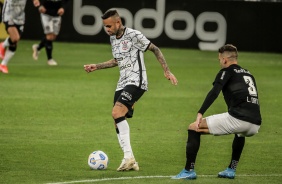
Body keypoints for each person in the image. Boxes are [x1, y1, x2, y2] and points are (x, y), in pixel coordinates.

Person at [84, 9, 178, 171]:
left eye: (109, 26)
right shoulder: (113, 39)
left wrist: (167, 70)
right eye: (105, 27)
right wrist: (97, 66)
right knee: (117, 120)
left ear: (118, 22)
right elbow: (117, 60)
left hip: (137, 80)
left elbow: (155, 49)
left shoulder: (134, 35)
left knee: (116, 113)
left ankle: (128, 157)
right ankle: (131, 161)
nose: (107, 29)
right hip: (122, 82)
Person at [172, 44, 262, 180]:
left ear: (225, 60)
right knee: (240, 134)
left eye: (219, 59)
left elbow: (214, 92)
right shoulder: (248, 74)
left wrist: (200, 112)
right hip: (255, 124)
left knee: (193, 128)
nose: (219, 62)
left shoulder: (226, 71)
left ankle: (188, 170)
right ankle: (231, 169)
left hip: (238, 119)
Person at [0, 0, 40, 74]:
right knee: (15, 38)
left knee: (14, 41)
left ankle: (3, 64)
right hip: (9, 13)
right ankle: (3, 45)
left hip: (20, 16)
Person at [32, 0, 69, 66]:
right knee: (49, 36)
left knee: (53, 36)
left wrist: (63, 7)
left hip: (57, 14)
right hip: (46, 13)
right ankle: (50, 59)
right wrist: (40, 6)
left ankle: (38, 48)